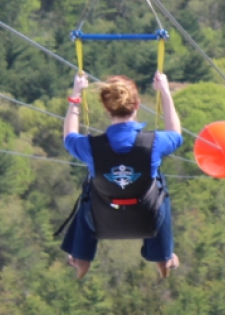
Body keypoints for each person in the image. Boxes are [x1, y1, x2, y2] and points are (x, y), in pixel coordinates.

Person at [60, 72, 183, 279]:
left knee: (90, 191)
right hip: (148, 217)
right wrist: (165, 91)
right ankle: (163, 256)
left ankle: (81, 258)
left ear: (107, 110)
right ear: (137, 105)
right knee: (159, 187)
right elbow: (176, 133)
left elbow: (69, 137)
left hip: (100, 218)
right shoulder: (155, 143)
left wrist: (76, 94)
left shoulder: (91, 147)